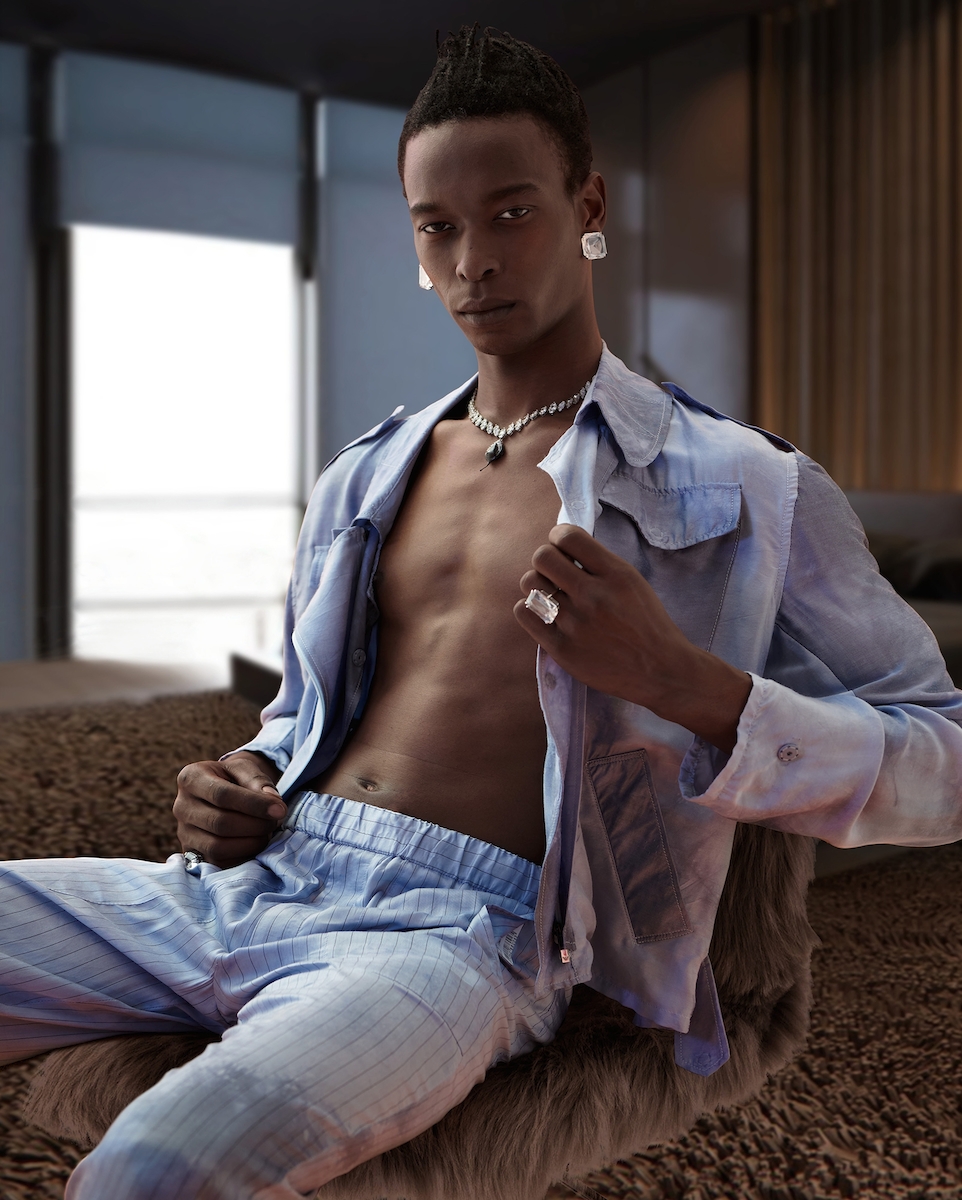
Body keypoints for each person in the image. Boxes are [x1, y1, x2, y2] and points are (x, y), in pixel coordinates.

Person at [2, 26, 961, 1200]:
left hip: (461, 936)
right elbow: (300, 717)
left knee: (154, 1166)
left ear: (585, 207)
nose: (471, 263)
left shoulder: (747, 486)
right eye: (436, 227)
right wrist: (241, 776)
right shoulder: (365, 472)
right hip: (249, 880)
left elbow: (944, 757)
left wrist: (680, 681)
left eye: (509, 214)